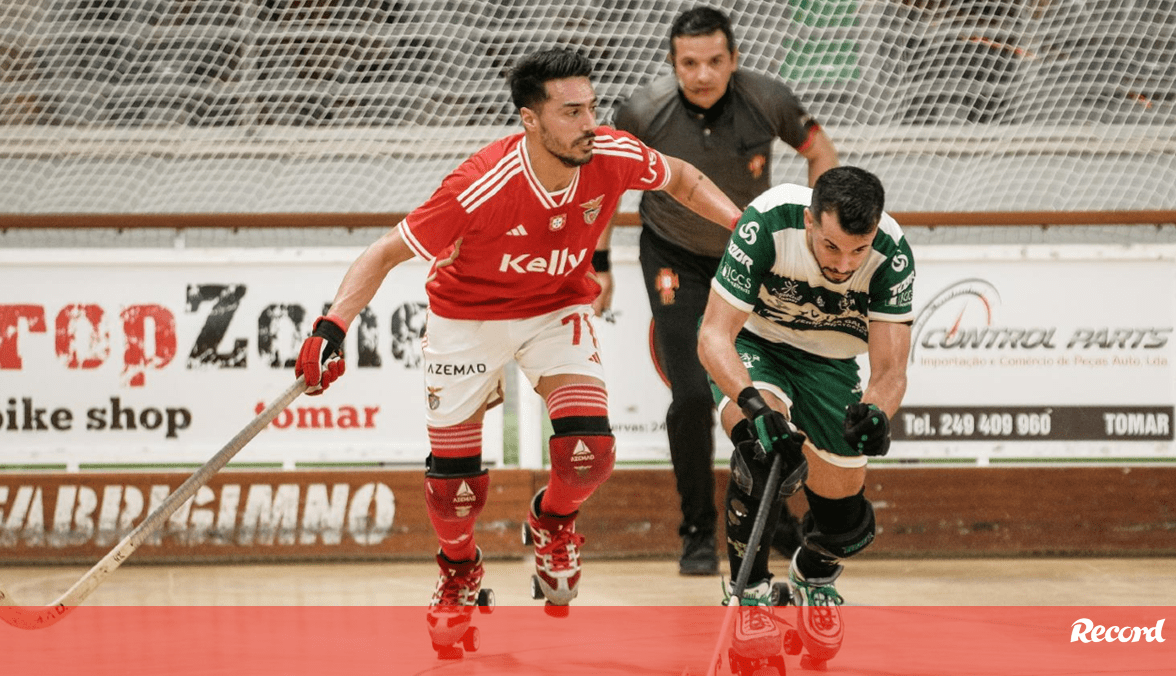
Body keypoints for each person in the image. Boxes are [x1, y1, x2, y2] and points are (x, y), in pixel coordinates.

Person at [294, 49, 742, 622]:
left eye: (592, 108)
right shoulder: (478, 184)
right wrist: (331, 327)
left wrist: (741, 226)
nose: (589, 125)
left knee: (590, 455)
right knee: (454, 494)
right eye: (571, 112)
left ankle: (552, 523)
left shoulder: (609, 151)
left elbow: (681, 178)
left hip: (555, 310)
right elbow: (384, 253)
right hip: (465, 320)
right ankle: (459, 569)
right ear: (530, 120)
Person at [608, 6, 839, 576]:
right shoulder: (643, 109)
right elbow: (602, 177)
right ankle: (696, 533)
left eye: (714, 61)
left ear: (734, 60)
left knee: (754, 393)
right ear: (673, 62)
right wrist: (594, 261)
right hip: (671, 259)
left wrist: (817, 232)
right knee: (690, 396)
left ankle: (776, 520)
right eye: (689, 62)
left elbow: (821, 151)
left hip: (749, 262)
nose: (703, 74)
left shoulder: (768, 99)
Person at [697, 166, 914, 664]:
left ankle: (812, 576)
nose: (844, 264)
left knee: (848, 526)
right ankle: (749, 595)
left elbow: (890, 369)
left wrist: (878, 414)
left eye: (858, 250)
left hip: (829, 363)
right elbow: (713, 336)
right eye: (832, 247)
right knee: (763, 452)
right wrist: (753, 406)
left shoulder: (893, 256)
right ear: (811, 222)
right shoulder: (769, 223)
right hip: (755, 343)